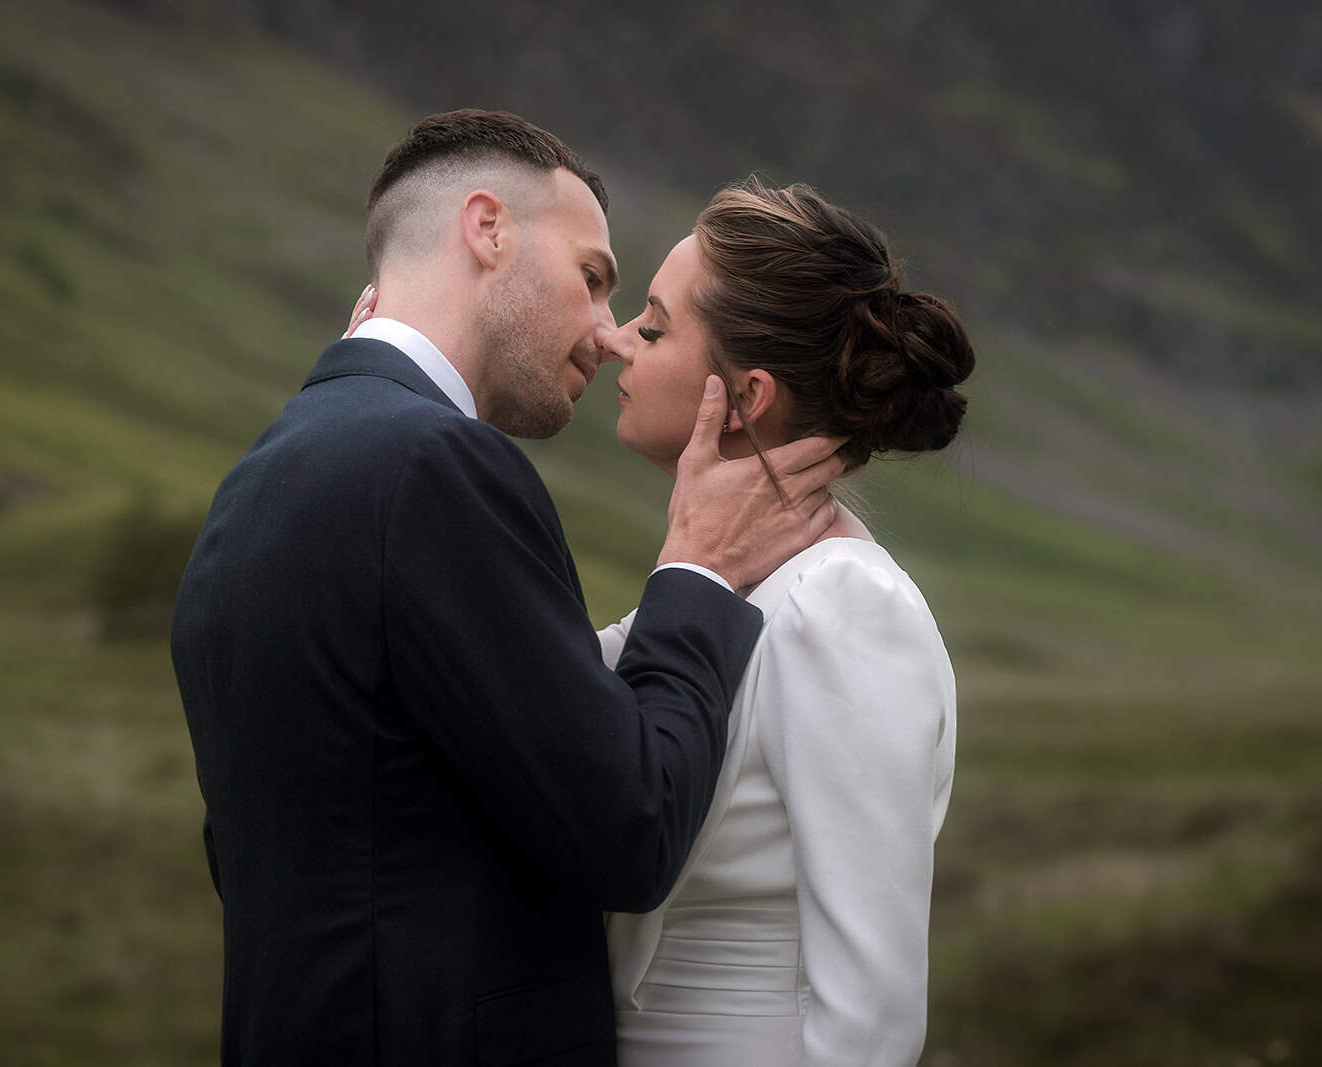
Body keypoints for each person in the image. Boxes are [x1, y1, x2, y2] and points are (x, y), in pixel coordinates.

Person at [170, 111, 846, 1065]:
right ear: (487, 229)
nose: (607, 334)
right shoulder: (431, 466)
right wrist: (698, 568)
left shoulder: (260, 478)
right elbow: (632, 830)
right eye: (592, 277)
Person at [597, 180, 972, 1065]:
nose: (615, 339)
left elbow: (873, 1016)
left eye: (654, 328)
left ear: (746, 395)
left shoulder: (843, 606)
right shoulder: (720, 584)